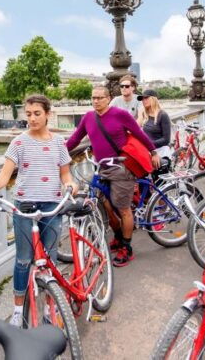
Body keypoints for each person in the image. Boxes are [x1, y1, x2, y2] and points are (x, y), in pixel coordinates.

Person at [0, 95, 78, 326]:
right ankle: (16, 309)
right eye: (28, 114)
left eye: (37, 113)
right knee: (23, 260)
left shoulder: (59, 142)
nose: (32, 118)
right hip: (24, 206)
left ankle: (49, 306)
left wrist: (71, 185)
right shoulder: (19, 143)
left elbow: (65, 174)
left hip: (52, 206)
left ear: (47, 114)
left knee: (49, 260)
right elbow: (5, 175)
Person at [66, 85, 160, 267]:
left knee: (123, 208)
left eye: (100, 98)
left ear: (108, 99)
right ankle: (118, 237)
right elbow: (74, 139)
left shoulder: (119, 114)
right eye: (93, 98)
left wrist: (153, 151)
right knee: (106, 205)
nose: (96, 101)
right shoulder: (88, 117)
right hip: (101, 168)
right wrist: (57, 153)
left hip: (121, 167)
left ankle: (127, 247)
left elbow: (138, 133)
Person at [136, 89, 172, 161]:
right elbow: (135, 128)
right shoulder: (144, 114)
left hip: (161, 152)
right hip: (148, 151)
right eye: (142, 99)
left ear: (153, 99)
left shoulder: (163, 115)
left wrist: (149, 145)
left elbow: (166, 139)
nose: (143, 100)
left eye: (146, 98)